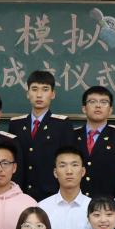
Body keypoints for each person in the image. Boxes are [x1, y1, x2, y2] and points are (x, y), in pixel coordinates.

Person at [8, 70, 75, 201]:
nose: (39, 95)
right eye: (34, 89)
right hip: (20, 194)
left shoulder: (62, 124)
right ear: (28, 93)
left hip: (50, 194)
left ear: (53, 94)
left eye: (45, 89)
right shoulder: (16, 124)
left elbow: (66, 160)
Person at [75, 86, 115, 197]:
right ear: (84, 108)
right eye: (92, 102)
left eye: (104, 102)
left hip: (108, 202)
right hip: (75, 201)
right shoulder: (72, 135)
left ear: (110, 110)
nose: (98, 105)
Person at [38, 145, 91, 229]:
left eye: (74, 165)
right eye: (62, 166)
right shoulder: (42, 207)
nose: (69, 171)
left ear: (83, 171)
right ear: (55, 172)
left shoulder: (92, 207)